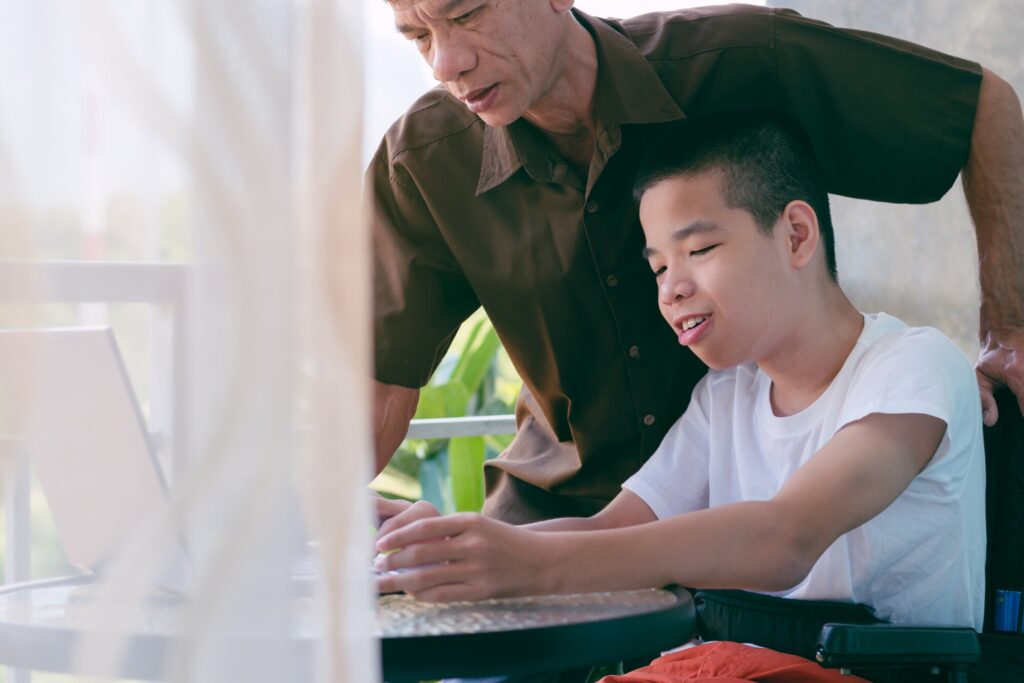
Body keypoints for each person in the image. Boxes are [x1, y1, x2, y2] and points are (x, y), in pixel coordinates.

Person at [374, 110, 987, 682]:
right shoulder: (725, 398)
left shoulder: (913, 366)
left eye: (699, 251)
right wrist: (440, 551)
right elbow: (610, 530)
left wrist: (529, 564)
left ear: (797, 235)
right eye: (659, 267)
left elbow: (786, 538)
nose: (671, 290)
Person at [370, 1, 1024, 525]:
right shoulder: (424, 160)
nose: (445, 62)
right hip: (560, 519)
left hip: (765, 507)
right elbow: (378, 389)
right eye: (416, 37)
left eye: (466, 14)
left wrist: (1010, 333)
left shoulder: (743, 63)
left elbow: (978, 108)